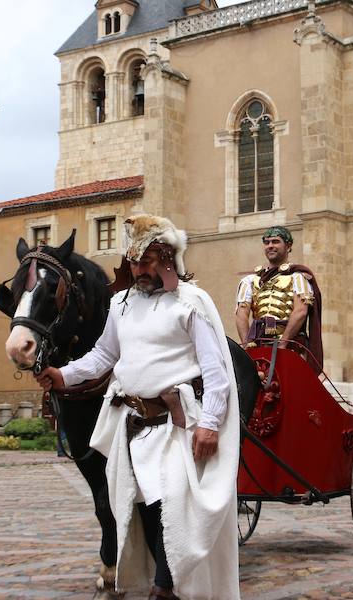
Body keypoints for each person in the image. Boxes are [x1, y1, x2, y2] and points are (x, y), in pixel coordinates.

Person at [35, 214, 240, 600]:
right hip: (131, 424)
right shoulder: (121, 304)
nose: (139, 270)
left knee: (171, 505)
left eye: (146, 261)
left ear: (166, 258)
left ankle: (164, 588)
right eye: (133, 262)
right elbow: (103, 355)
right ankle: (164, 581)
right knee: (143, 506)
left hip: (175, 425)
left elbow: (216, 372)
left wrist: (210, 424)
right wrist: (63, 375)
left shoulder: (191, 303)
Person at [235, 226, 323, 371]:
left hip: (291, 344)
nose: (270, 246)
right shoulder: (250, 281)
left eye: (275, 241)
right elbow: (241, 313)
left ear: (288, 246)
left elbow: (300, 311)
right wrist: (246, 344)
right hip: (259, 343)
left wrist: (283, 343)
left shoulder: (298, 277)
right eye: (267, 242)